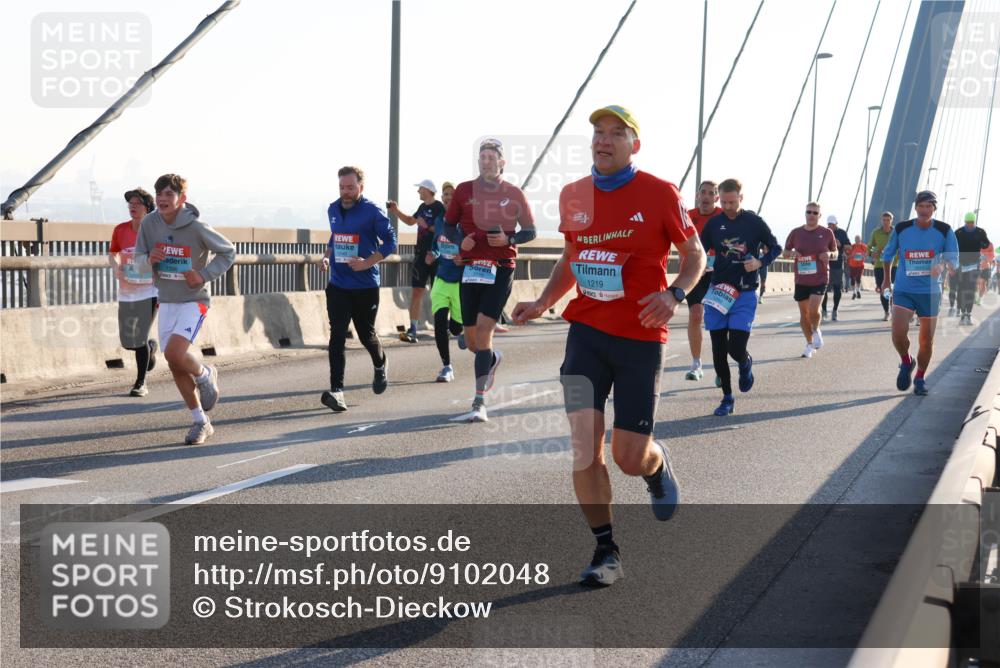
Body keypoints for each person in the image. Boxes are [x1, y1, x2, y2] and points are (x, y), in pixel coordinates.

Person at [512, 105, 703, 587]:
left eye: (617, 133)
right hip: (586, 336)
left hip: (641, 337)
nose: (604, 139)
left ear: (633, 144)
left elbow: (695, 255)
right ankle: (606, 551)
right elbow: (573, 258)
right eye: (598, 132)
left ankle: (656, 464)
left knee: (627, 456)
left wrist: (675, 292)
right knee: (584, 449)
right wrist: (541, 301)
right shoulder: (574, 194)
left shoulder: (660, 193)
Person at [134, 174, 235, 445]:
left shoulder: (196, 226)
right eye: (159, 194)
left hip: (194, 300)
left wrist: (203, 275)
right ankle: (201, 422)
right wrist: (148, 259)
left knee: (173, 352)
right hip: (166, 299)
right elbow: (137, 261)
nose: (163, 199)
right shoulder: (149, 223)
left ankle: (204, 374)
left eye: (169, 194)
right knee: (175, 362)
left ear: (182, 199)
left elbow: (228, 252)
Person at [445, 138, 536, 422]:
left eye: (491, 157)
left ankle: (479, 402)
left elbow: (530, 231)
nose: (486, 161)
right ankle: (491, 358)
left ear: (501, 163)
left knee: (485, 331)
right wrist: (462, 241)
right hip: (472, 267)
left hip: (500, 267)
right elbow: (449, 225)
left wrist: (509, 238)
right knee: (473, 342)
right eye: (482, 157)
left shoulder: (513, 193)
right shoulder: (463, 190)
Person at [318, 166, 396, 412]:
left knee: (366, 334)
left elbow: (391, 242)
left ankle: (380, 363)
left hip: (365, 286)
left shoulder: (372, 211)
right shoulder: (332, 208)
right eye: (342, 187)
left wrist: (366, 263)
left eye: (351, 187)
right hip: (338, 285)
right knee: (337, 335)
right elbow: (334, 237)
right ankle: (337, 391)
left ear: (361, 187)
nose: (346, 192)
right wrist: (327, 256)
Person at [700, 179, 780, 416]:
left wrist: (759, 262)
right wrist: (701, 265)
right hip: (718, 292)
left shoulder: (754, 222)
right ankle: (727, 398)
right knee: (717, 350)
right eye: (723, 202)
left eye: (732, 202)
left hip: (744, 292)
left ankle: (745, 363)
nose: (727, 206)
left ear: (741, 198)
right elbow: (699, 251)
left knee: (735, 348)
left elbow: (775, 247)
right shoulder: (714, 224)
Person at [881, 191, 958, 396]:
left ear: (934, 208)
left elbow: (953, 261)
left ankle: (921, 377)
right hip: (905, 289)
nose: (924, 210)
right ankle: (907, 362)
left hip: (930, 292)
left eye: (928, 206)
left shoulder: (944, 230)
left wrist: (941, 264)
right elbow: (887, 255)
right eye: (921, 206)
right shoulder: (902, 228)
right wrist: (886, 280)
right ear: (915, 208)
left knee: (926, 340)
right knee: (897, 334)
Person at [109, 188, 158, 397]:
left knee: (139, 337)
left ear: (147, 207)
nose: (132, 206)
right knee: (128, 341)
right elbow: (113, 253)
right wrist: (116, 268)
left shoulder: (155, 231)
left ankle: (140, 383)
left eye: (137, 203)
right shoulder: (120, 229)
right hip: (127, 291)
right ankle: (151, 349)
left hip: (150, 290)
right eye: (130, 203)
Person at [387, 179, 445, 343]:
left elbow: (442, 230)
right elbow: (411, 221)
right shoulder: (422, 207)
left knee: (438, 293)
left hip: (436, 255)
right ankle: (412, 328)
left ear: (427, 189)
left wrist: (426, 225)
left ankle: (442, 326)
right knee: (417, 291)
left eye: (420, 188)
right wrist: (395, 211)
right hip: (420, 255)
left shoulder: (439, 207)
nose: (418, 191)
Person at [784, 202, 837, 358]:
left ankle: (816, 330)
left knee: (814, 309)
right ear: (805, 214)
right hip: (801, 278)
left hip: (820, 277)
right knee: (804, 313)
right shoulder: (796, 233)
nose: (811, 215)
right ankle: (809, 344)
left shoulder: (827, 233)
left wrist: (830, 255)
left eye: (815, 213)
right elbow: (785, 251)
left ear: (819, 216)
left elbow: (836, 252)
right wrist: (791, 253)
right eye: (809, 212)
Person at [426, 181, 466, 381]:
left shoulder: (466, 222)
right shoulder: (441, 220)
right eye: (445, 195)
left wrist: (465, 259)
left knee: (455, 328)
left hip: (460, 282)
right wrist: (432, 254)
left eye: (451, 194)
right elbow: (436, 244)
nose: (447, 197)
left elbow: (476, 248)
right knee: (440, 323)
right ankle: (447, 367)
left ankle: (462, 330)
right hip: (442, 278)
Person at [683, 180, 722, 380]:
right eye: (703, 192)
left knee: (718, 320)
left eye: (711, 193)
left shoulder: (724, 216)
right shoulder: (688, 217)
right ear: (698, 195)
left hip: (720, 274)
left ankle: (720, 366)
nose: (706, 196)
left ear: (717, 197)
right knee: (696, 314)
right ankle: (696, 364)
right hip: (695, 273)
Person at [953, 211, 991, 325]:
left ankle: (968, 314)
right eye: (968, 222)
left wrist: (982, 243)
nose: (970, 224)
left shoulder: (980, 232)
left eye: (972, 222)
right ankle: (962, 310)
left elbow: (986, 244)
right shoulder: (958, 232)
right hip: (961, 265)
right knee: (961, 289)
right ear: (965, 222)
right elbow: (953, 246)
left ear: (974, 222)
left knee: (970, 289)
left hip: (974, 265)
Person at [868, 212, 898, 321]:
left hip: (894, 265)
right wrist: (873, 253)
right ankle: (886, 311)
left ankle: (893, 308)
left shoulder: (896, 232)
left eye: (888, 220)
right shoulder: (876, 233)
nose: (885, 222)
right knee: (883, 289)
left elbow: (902, 245)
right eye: (884, 220)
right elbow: (870, 246)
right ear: (881, 220)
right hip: (879, 265)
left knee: (894, 289)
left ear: (891, 220)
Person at [821, 215, 851, 321]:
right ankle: (824, 310)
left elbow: (849, 247)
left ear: (836, 224)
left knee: (837, 288)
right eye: (829, 224)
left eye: (832, 224)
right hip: (824, 264)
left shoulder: (842, 233)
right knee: (823, 288)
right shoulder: (824, 232)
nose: (830, 226)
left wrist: (841, 244)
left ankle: (835, 310)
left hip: (837, 264)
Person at [847, 234, 867, 299]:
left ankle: (858, 290)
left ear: (860, 240)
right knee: (852, 279)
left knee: (858, 277)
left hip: (860, 265)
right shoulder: (852, 247)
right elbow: (847, 256)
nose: (857, 241)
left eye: (858, 239)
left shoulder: (863, 246)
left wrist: (864, 255)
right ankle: (854, 292)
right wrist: (851, 255)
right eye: (856, 239)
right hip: (852, 265)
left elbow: (869, 252)